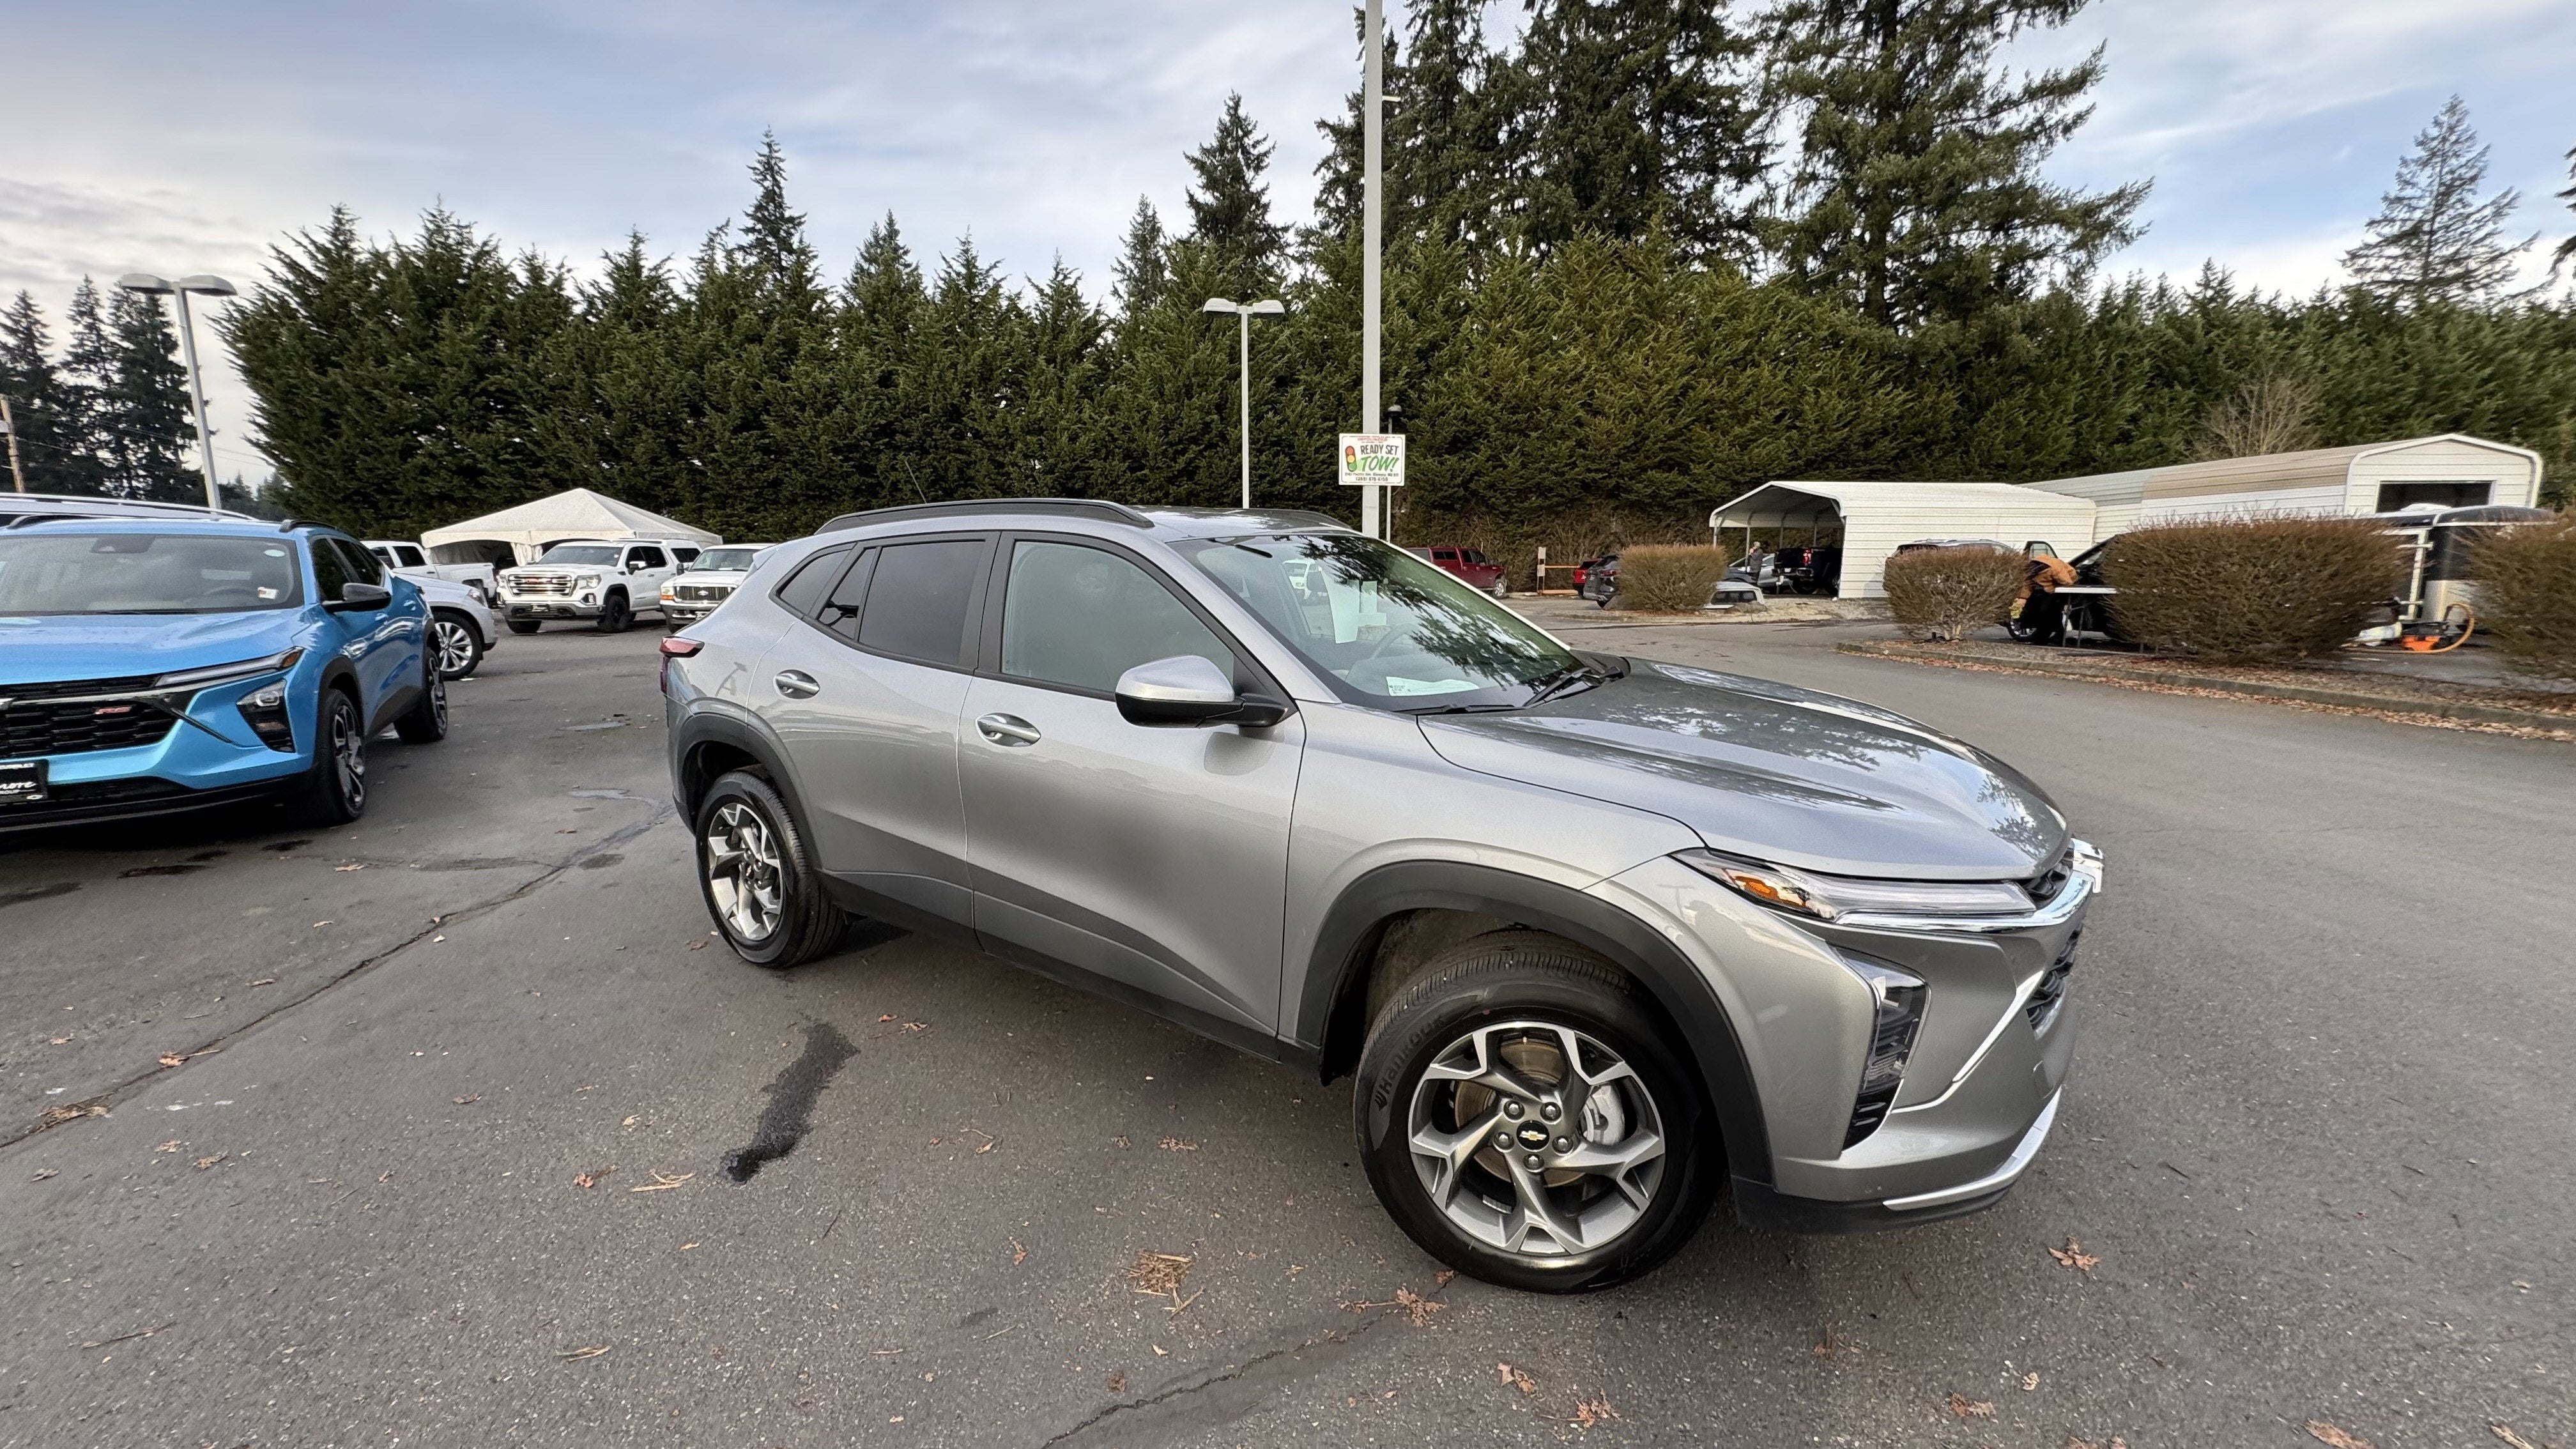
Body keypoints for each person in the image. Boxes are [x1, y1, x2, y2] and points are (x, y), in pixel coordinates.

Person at [2016, 553, 2078, 645]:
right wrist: (2023, 598)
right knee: (2045, 612)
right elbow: (2028, 584)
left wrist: (2053, 588)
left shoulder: (2054, 568)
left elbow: (2067, 582)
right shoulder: (2032, 570)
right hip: (2046, 590)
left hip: (2060, 588)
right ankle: (2047, 637)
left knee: (2048, 612)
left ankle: (2046, 638)